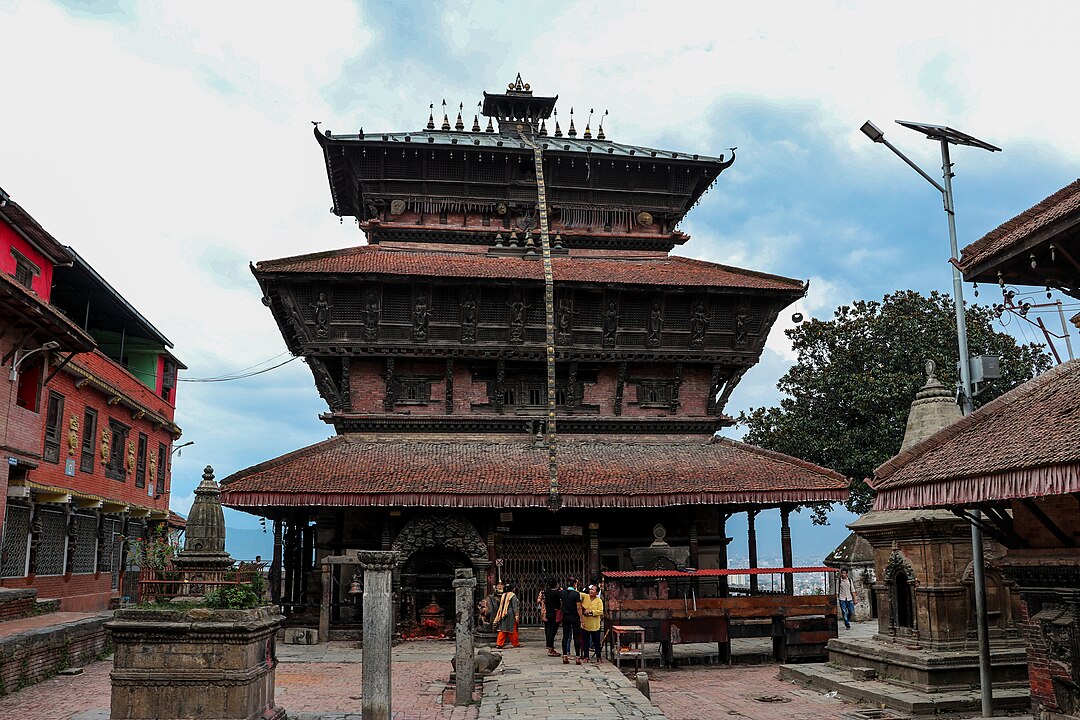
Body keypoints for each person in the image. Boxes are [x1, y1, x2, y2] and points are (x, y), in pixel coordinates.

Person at [578, 584, 604, 663]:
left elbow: (600, 611)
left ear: (597, 593)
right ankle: (586, 656)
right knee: (585, 641)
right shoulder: (585, 597)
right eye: (590, 589)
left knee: (596, 642)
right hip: (585, 624)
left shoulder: (598, 601)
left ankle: (598, 657)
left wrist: (591, 612)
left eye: (593, 590)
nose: (591, 591)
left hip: (595, 625)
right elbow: (577, 593)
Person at [560, 576, 583, 664]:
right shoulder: (576, 594)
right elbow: (578, 608)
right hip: (575, 617)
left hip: (565, 617)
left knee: (565, 636)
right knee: (576, 637)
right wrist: (582, 619)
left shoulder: (562, 593)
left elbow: (561, 604)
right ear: (574, 584)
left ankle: (565, 656)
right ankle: (577, 657)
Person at [493, 581, 520, 649]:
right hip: (510, 614)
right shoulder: (513, 595)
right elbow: (514, 606)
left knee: (502, 629)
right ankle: (515, 643)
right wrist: (516, 615)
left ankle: (499, 644)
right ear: (512, 589)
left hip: (503, 613)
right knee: (512, 629)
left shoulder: (503, 594)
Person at [541, 578, 562, 657]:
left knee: (549, 630)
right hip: (554, 613)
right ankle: (550, 649)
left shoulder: (547, 592)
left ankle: (550, 647)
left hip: (548, 613)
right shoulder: (556, 593)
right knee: (553, 631)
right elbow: (558, 604)